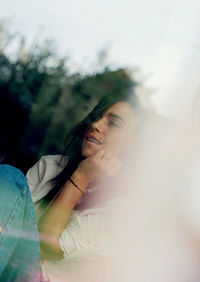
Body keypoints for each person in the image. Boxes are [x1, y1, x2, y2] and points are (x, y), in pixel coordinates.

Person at [0, 93, 138, 281]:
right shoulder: (50, 166)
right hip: (8, 262)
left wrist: (81, 176)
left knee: (10, 176)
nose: (95, 125)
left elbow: (46, 248)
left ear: (133, 145)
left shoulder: (123, 209)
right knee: (9, 176)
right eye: (96, 116)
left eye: (113, 124)